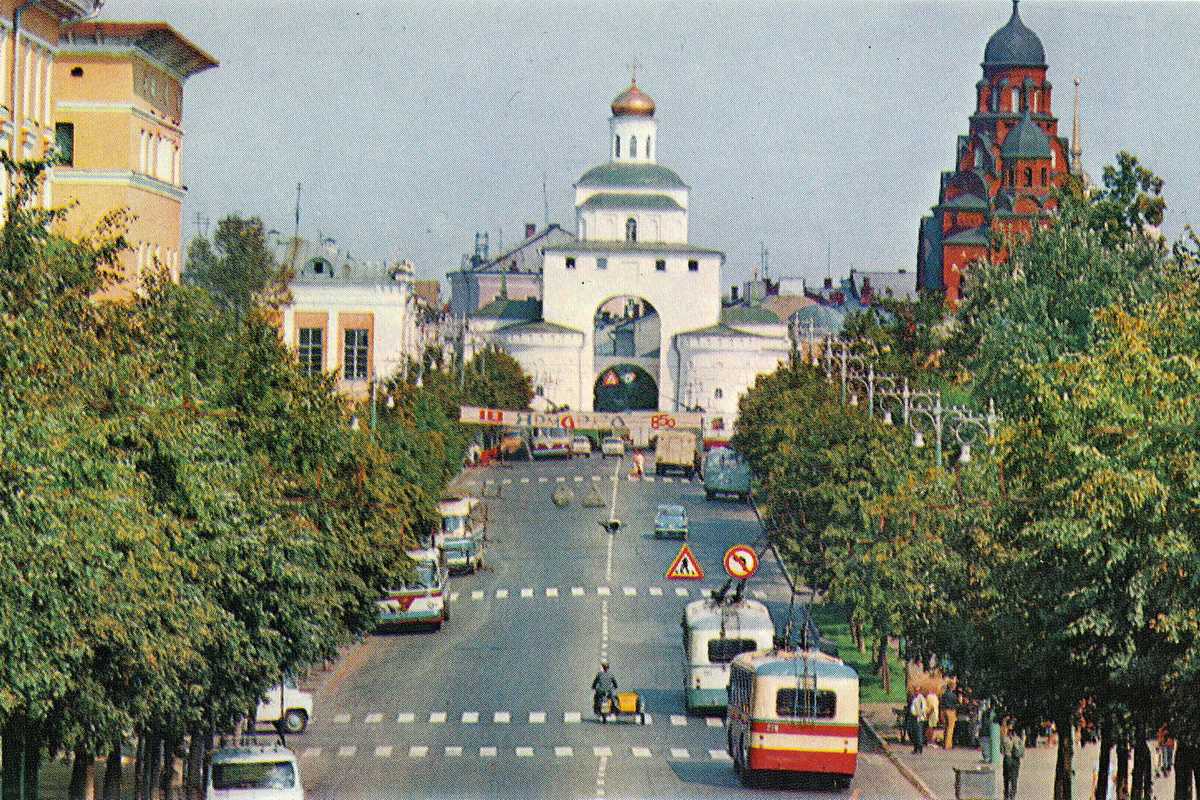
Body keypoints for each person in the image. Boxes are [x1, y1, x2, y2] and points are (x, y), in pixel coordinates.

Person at [1001, 719, 1024, 800]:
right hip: (1016, 760)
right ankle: (1013, 795)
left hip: (1007, 759)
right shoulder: (1018, 739)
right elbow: (1022, 751)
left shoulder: (1004, 739)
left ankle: (1006, 795)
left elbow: (1002, 750)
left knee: (1006, 778)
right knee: (1014, 778)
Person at [942, 683, 960, 748]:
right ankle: (948, 744)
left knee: (946, 727)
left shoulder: (944, 694)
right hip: (951, 711)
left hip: (945, 710)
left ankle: (945, 742)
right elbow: (957, 703)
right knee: (950, 728)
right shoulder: (953, 695)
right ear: (952, 687)